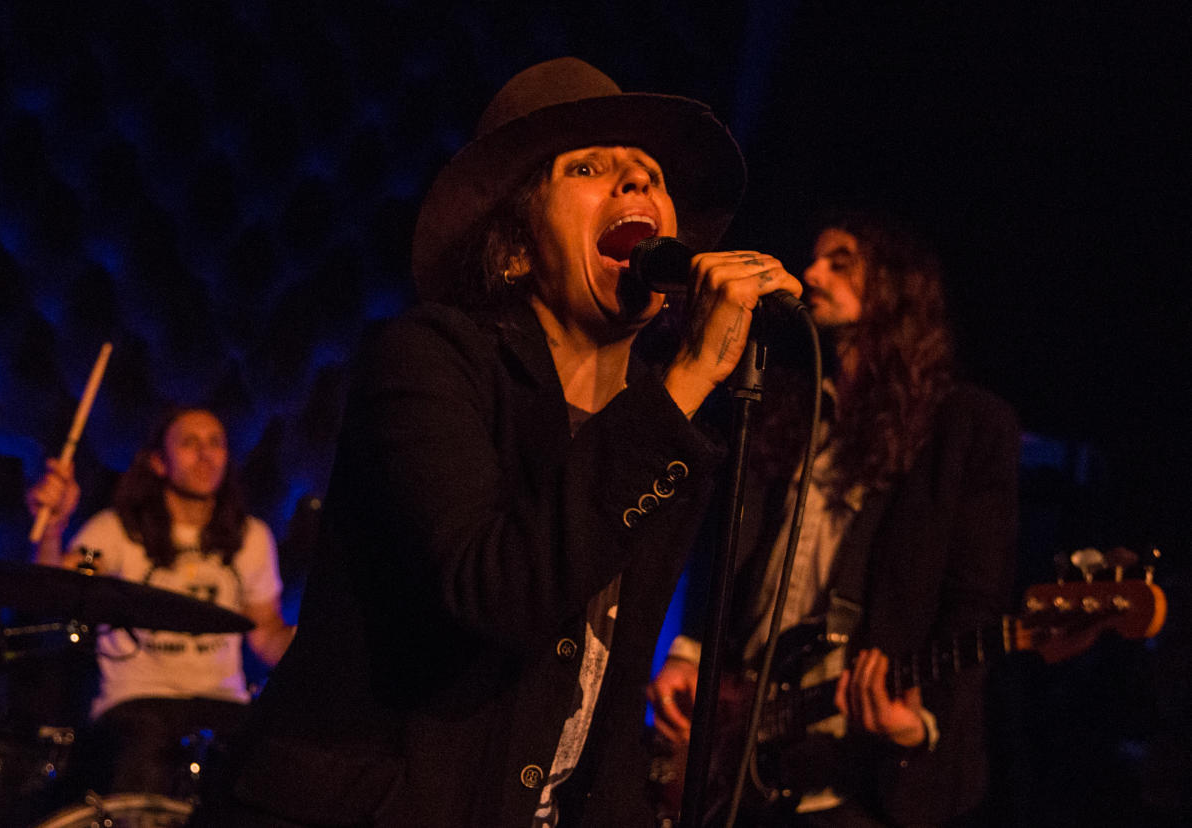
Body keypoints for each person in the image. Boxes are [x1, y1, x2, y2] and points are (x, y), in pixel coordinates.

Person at [191, 57, 803, 828]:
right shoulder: (428, 358)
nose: (636, 185)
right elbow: (496, 588)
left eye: (650, 175)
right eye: (589, 167)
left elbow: (609, 698)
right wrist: (683, 381)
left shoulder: (666, 430)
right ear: (515, 244)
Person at [648, 211, 1020, 825]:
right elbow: (718, 543)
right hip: (739, 747)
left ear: (898, 287)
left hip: (849, 778)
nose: (813, 272)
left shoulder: (966, 427)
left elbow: (973, 602)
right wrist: (689, 653)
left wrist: (917, 725)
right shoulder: (782, 401)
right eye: (814, 258)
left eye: (840, 261)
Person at [27, 406, 295, 797]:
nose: (206, 454)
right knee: (144, 743)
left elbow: (266, 632)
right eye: (190, 443)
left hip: (222, 705)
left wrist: (323, 653)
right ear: (157, 461)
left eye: (215, 443)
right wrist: (52, 527)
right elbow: (55, 592)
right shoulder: (117, 529)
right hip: (137, 701)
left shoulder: (252, 536)